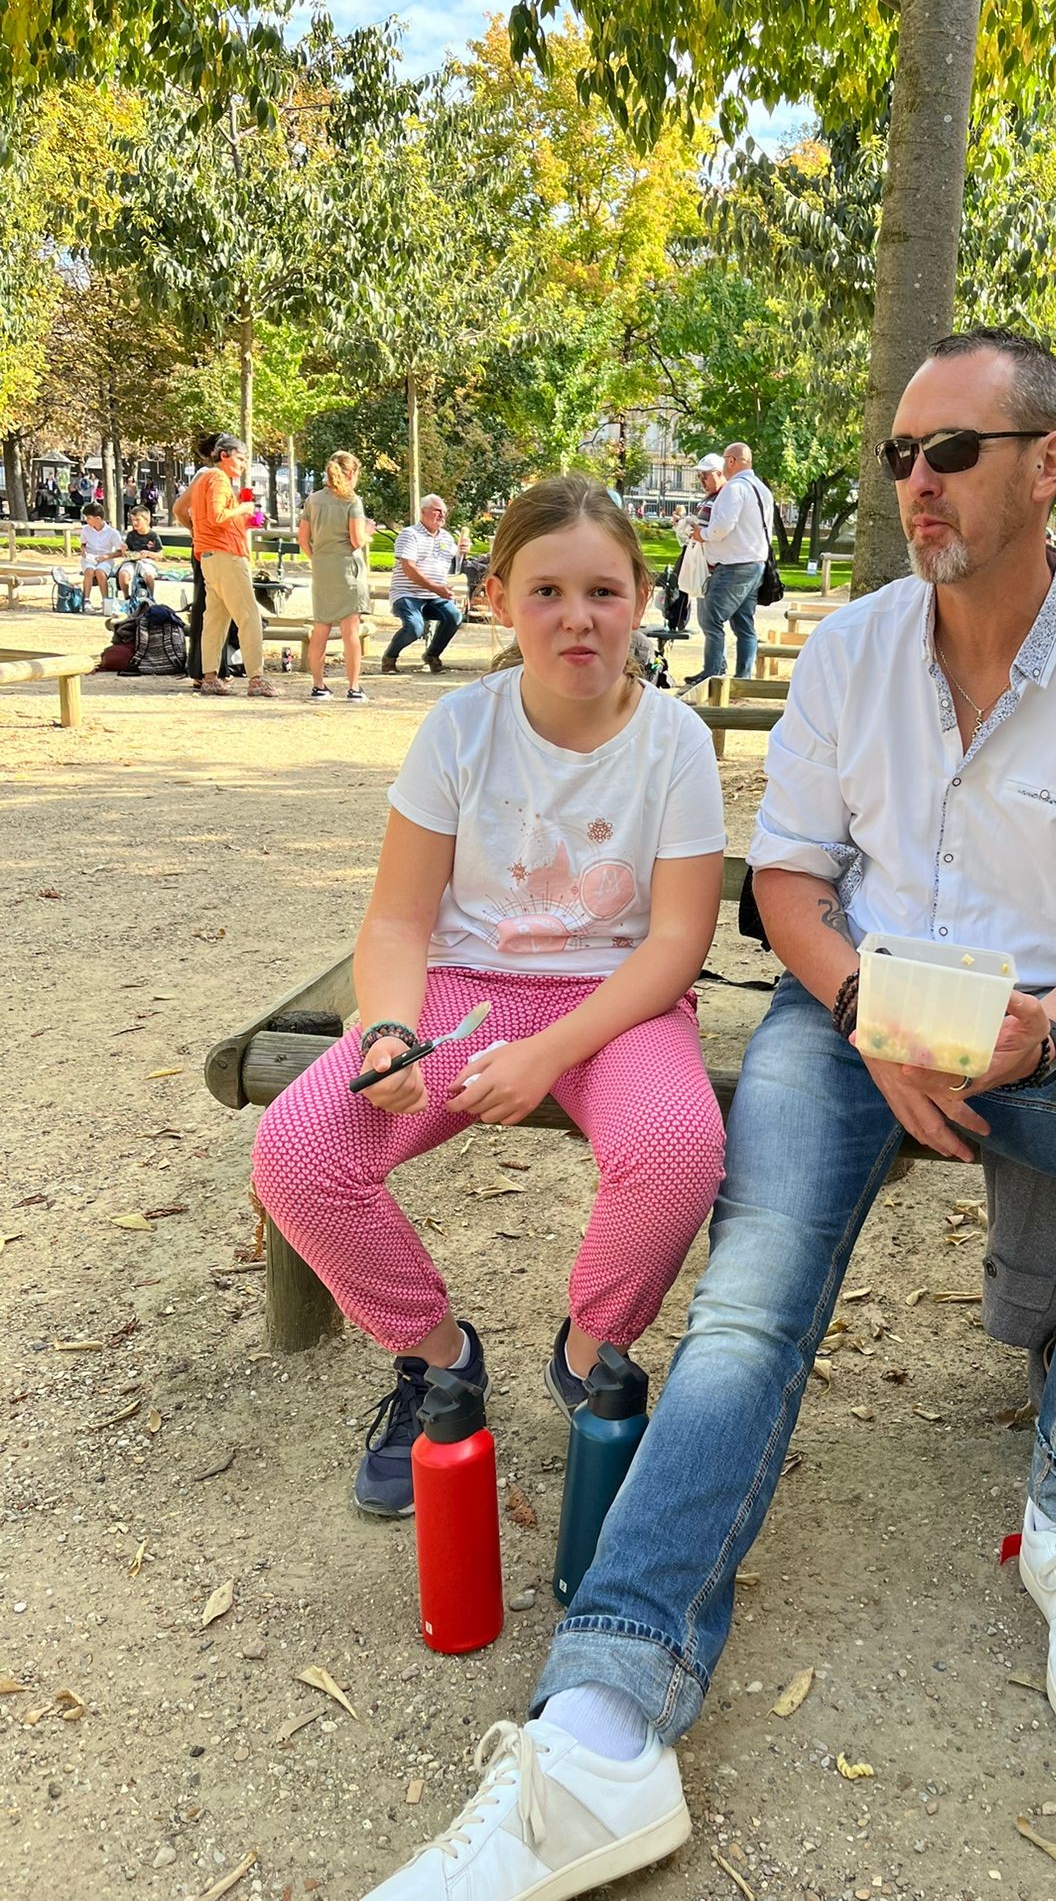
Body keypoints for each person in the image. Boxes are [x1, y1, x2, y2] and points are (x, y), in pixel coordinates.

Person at [364, 330, 1056, 1901]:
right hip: (845, 1020)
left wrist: (1032, 1049)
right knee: (753, 1306)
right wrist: (869, 1017)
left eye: (949, 452)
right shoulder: (849, 653)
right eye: (898, 456)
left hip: (1042, 1037)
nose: (914, 481)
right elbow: (788, 885)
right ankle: (603, 1722)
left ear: (1048, 466)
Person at [251, 476, 728, 1518]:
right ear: (499, 596)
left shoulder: (675, 742)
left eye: (603, 589)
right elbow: (397, 922)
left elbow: (679, 941)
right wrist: (385, 1029)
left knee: (678, 1148)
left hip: (619, 1001)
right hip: (464, 993)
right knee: (297, 1150)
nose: (576, 617)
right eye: (546, 590)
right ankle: (437, 1358)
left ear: (642, 597)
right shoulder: (460, 728)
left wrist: (552, 1050)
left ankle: (595, 1349)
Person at [171, 432, 275, 699]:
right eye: (240, 459)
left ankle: (210, 677)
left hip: (208, 556)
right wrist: (243, 509)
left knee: (215, 619)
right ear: (224, 456)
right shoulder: (217, 478)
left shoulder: (203, 478)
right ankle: (257, 678)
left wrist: (203, 532)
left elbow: (185, 511)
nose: (243, 465)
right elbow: (218, 516)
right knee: (249, 616)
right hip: (227, 555)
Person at [685, 441, 772, 684]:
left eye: (725, 459)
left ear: (731, 461)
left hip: (734, 564)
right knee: (744, 624)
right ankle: (743, 678)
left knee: (710, 617)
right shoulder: (762, 489)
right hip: (756, 563)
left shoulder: (734, 489)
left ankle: (713, 672)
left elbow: (722, 527)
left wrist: (701, 534)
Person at [299, 451, 372, 703]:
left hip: (322, 567)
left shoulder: (313, 499)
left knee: (321, 627)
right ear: (351, 473)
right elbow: (356, 539)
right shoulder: (352, 501)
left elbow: (303, 539)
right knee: (350, 630)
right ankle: (353, 686)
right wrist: (368, 531)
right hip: (346, 567)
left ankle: (318, 685)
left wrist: (317, 557)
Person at [382, 497, 465, 675]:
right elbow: (408, 568)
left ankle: (432, 655)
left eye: (444, 511)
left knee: (455, 616)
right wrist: (436, 588)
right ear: (423, 512)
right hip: (407, 594)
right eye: (437, 510)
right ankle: (389, 658)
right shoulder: (410, 534)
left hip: (434, 597)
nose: (441, 515)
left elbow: (451, 567)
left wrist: (461, 554)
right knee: (414, 627)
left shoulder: (446, 538)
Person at [78, 504, 127, 609]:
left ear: (98, 518)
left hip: (106, 559)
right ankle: (86, 600)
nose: (87, 520)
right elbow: (83, 544)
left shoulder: (112, 533)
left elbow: (120, 552)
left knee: (100, 572)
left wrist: (106, 556)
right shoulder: (86, 530)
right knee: (89, 571)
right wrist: (83, 550)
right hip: (90, 557)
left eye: (89, 518)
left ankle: (105, 600)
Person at [116, 505, 164, 602]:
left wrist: (148, 554)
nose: (134, 523)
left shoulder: (153, 536)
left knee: (149, 575)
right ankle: (127, 598)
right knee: (123, 574)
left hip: (146, 561)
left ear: (146, 520)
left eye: (137, 520)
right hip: (132, 561)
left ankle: (151, 598)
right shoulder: (131, 535)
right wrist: (124, 549)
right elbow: (126, 553)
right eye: (132, 520)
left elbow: (160, 555)